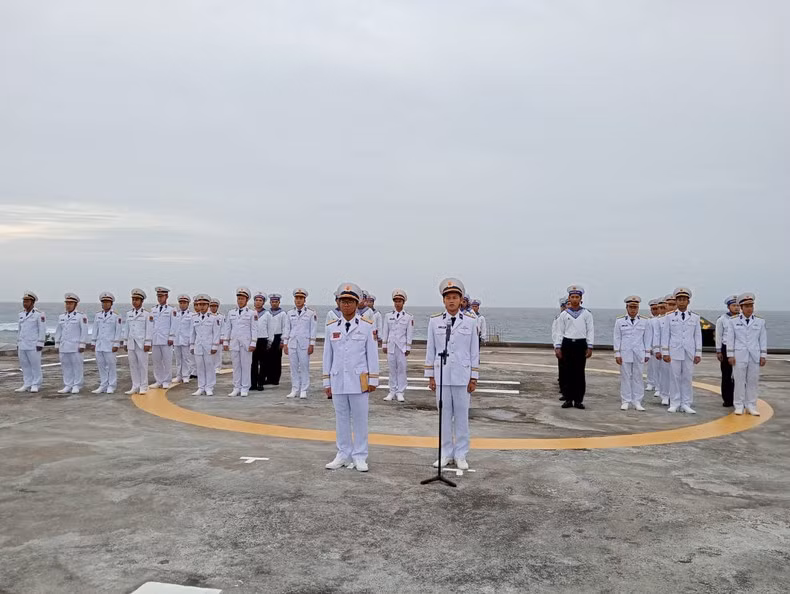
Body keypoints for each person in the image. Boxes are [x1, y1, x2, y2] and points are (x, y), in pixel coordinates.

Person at [323, 283, 379, 472]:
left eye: (350, 301)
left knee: (360, 419)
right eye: (343, 301)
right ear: (338, 303)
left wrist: (373, 380)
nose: (346, 305)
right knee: (341, 419)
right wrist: (326, 382)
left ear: (357, 304)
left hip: (359, 380)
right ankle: (343, 454)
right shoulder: (332, 327)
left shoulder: (366, 326)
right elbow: (327, 357)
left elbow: (372, 354)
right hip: (338, 380)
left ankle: (360, 456)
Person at [425, 278, 480, 470]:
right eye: (448, 297)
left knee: (462, 416)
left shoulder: (471, 323)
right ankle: (445, 453)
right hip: (442, 375)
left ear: (461, 300)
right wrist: (430, 375)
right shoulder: (434, 322)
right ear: (443, 300)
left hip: (462, 376)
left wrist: (474, 377)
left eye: (455, 297)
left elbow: (474, 352)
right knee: (444, 417)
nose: (451, 301)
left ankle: (461, 454)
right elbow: (430, 349)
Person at [661, 288, 702, 414]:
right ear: (676, 301)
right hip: (674, 351)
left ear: (688, 301)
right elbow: (665, 335)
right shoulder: (669, 317)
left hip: (689, 351)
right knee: (674, 377)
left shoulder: (694, 317)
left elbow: (697, 336)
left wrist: (698, 353)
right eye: (679, 300)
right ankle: (674, 402)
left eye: (684, 300)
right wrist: (665, 352)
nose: (682, 302)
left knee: (687, 378)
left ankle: (686, 403)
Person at [725, 293, 767, 416]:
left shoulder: (760, 322)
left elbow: (762, 339)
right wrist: (730, 355)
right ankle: (738, 405)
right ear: (741, 307)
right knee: (739, 381)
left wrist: (763, 355)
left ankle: (751, 405)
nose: (749, 308)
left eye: (751, 306)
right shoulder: (733, 321)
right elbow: (730, 339)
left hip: (754, 355)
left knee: (752, 381)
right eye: (747, 306)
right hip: (739, 355)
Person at [553, 285, 594, 409]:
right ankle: (568, 399)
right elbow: (559, 331)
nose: (575, 299)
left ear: (581, 299)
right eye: (572, 297)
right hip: (567, 343)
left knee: (579, 373)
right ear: (569, 299)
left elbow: (590, 330)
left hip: (581, 344)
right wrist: (558, 347)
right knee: (567, 372)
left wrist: (590, 346)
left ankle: (578, 400)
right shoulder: (564, 315)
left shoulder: (586, 314)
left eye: (577, 297)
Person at [613, 296, 652, 411]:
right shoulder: (620, 321)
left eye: (635, 307)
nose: (633, 309)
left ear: (638, 308)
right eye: (631, 307)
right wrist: (617, 354)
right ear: (627, 307)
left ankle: (637, 401)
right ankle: (626, 400)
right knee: (625, 377)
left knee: (638, 377)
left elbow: (647, 338)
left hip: (639, 352)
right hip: (625, 352)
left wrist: (647, 353)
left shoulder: (645, 321)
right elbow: (617, 338)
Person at [222, 287, 258, 397]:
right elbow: (228, 328)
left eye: (242, 298)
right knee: (236, 366)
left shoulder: (252, 313)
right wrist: (225, 342)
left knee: (246, 366)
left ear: (247, 300)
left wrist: (253, 342)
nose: (240, 300)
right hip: (234, 342)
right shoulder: (231, 312)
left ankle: (245, 388)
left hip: (246, 343)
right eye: (238, 298)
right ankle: (236, 387)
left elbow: (254, 329)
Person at [283, 288, 317, 399]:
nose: (298, 300)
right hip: (292, 343)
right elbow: (287, 329)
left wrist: (312, 344)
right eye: (296, 298)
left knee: (304, 367)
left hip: (304, 344)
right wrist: (285, 343)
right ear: (294, 300)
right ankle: (295, 389)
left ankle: (304, 389)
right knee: (293, 367)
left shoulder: (311, 313)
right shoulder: (289, 313)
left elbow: (313, 329)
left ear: (304, 300)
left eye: (301, 298)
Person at [381, 289, 414, 402]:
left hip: (402, 347)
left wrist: (408, 347)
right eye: (395, 301)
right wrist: (384, 344)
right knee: (392, 370)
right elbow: (385, 330)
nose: (397, 303)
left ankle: (400, 392)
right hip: (391, 346)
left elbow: (409, 333)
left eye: (399, 301)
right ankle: (392, 391)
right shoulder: (388, 316)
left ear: (403, 302)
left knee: (401, 369)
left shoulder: (408, 317)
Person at [55, 293, 89, 394]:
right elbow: (58, 331)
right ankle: (68, 385)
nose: (68, 305)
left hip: (75, 346)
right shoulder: (61, 317)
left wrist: (82, 344)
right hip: (64, 346)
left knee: (77, 366)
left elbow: (84, 331)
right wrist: (57, 344)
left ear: (75, 305)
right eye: (67, 303)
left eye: (70, 303)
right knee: (66, 366)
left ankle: (77, 385)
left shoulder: (81, 316)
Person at [90, 292, 122, 394]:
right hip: (100, 344)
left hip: (110, 345)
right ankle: (103, 385)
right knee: (101, 365)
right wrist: (93, 342)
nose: (105, 304)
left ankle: (111, 385)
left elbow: (118, 331)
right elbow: (95, 329)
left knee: (111, 365)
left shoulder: (116, 316)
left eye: (107, 302)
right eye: (103, 302)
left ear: (111, 303)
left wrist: (116, 344)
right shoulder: (98, 315)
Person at [122, 289, 153, 394]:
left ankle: (143, 386)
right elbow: (127, 328)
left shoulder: (146, 314)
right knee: (133, 365)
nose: (134, 301)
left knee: (142, 365)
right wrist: (125, 342)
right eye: (133, 299)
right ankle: (135, 386)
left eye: (137, 300)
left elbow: (149, 329)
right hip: (131, 343)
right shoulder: (129, 313)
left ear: (141, 301)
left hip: (141, 343)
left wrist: (148, 343)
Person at [190, 294, 221, 396]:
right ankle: (201, 387)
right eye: (199, 304)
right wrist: (192, 345)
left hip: (209, 346)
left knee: (209, 366)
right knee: (200, 367)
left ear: (208, 305)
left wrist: (215, 346)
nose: (201, 306)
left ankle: (209, 387)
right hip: (198, 346)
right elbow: (192, 333)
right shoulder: (194, 318)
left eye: (204, 304)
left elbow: (216, 333)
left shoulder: (213, 318)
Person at [15, 291, 46, 393]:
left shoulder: (39, 314)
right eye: (24, 301)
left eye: (27, 301)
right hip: (22, 343)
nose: (25, 303)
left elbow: (42, 329)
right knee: (25, 365)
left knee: (35, 365)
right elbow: (20, 329)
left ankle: (36, 384)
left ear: (33, 302)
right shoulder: (21, 314)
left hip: (33, 344)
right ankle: (27, 383)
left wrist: (40, 343)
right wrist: (18, 342)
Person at [715, 295, 740, 407]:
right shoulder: (722, 319)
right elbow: (718, 335)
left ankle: (738, 398)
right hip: (725, 348)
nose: (736, 308)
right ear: (728, 306)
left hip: (739, 349)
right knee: (726, 375)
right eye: (734, 305)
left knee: (739, 375)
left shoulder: (742, 318)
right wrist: (718, 351)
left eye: (738, 305)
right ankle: (727, 399)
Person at [150, 286, 176, 389]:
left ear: (167, 296)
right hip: (155, 338)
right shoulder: (153, 309)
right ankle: (158, 380)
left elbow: (174, 324)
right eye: (158, 296)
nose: (160, 298)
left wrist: (171, 337)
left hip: (166, 339)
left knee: (167, 361)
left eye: (162, 296)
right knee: (156, 361)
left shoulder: (171, 310)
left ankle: (167, 380)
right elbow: (151, 324)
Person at [264, 293, 286, 385]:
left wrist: (282, 341)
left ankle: (275, 379)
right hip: (268, 337)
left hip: (278, 337)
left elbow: (285, 327)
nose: (274, 304)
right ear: (270, 302)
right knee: (267, 359)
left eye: (276, 302)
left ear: (279, 302)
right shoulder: (267, 313)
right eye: (272, 302)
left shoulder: (283, 314)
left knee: (276, 359)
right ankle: (268, 378)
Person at [173, 294, 195, 384]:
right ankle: (179, 376)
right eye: (181, 303)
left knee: (186, 359)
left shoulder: (191, 315)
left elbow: (192, 329)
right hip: (177, 339)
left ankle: (186, 376)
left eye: (184, 303)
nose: (182, 305)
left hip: (186, 340)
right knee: (178, 359)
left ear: (188, 304)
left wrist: (191, 340)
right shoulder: (175, 314)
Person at [250, 291, 269, 391]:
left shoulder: (267, 314)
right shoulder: (250, 313)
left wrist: (270, 340)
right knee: (253, 363)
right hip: (253, 340)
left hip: (263, 340)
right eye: (256, 300)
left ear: (263, 302)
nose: (258, 302)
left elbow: (270, 328)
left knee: (263, 363)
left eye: (260, 300)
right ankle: (253, 383)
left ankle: (260, 383)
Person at [552, 296, 568, 399]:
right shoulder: (558, 318)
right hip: (561, 346)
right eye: (563, 306)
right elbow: (555, 333)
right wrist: (556, 346)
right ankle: (563, 389)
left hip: (571, 346)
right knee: (562, 369)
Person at [645, 299, 661, 393]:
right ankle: (650, 383)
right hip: (650, 347)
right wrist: (648, 347)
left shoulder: (661, 319)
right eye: (652, 309)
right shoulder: (647, 320)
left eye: (656, 308)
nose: (654, 311)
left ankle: (658, 385)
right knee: (650, 367)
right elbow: (647, 335)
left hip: (659, 347)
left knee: (659, 367)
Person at [209, 298, 225, 372]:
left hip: (218, 337)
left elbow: (223, 327)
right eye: (212, 306)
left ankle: (217, 367)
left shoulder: (221, 317)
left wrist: (222, 337)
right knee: (209, 353)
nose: (213, 307)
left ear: (217, 307)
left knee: (218, 353)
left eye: (215, 306)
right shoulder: (207, 316)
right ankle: (210, 367)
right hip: (209, 337)